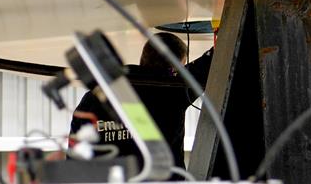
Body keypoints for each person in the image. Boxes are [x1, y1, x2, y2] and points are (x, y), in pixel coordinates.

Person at [70, 32, 213, 171]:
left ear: (143, 58)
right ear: (174, 68)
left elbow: (74, 156)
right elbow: (211, 63)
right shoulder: (174, 88)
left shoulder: (94, 97)